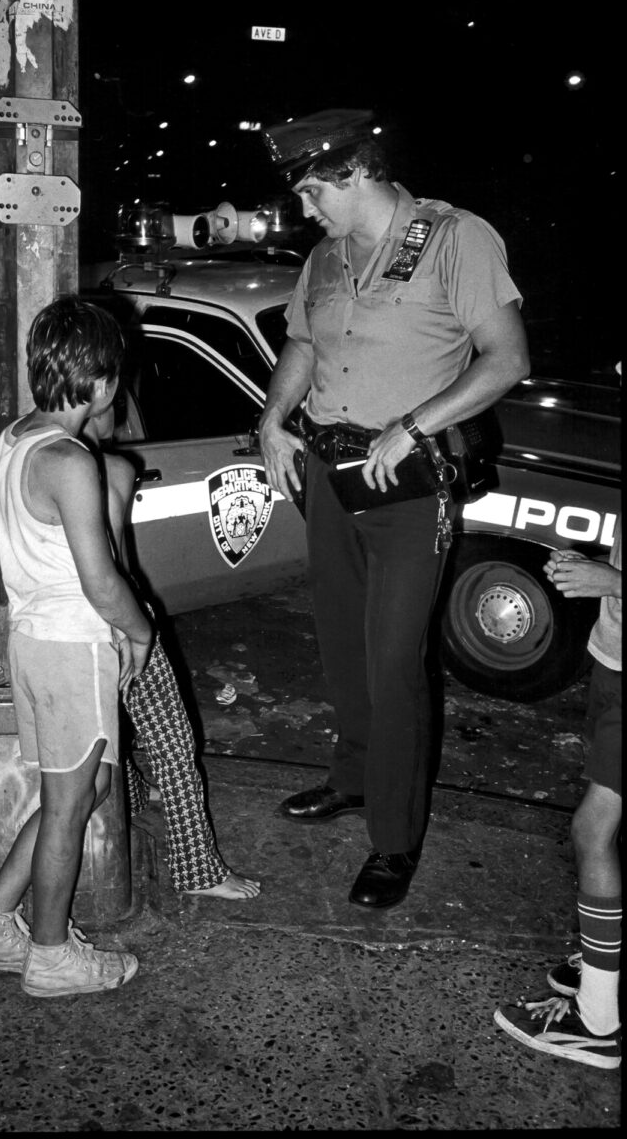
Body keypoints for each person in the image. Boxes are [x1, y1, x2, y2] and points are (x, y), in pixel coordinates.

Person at [258, 109, 530, 908]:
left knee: (393, 661)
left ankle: (395, 836)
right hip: (330, 475)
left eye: (313, 192)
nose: (306, 211)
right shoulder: (325, 257)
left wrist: (416, 425)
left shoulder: (453, 239)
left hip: (409, 484)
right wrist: (273, 420)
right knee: (342, 643)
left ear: (354, 173)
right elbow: (302, 348)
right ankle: (352, 777)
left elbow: (507, 358)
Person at [0, 296, 146, 997]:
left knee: (84, 786)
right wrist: (141, 628)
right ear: (100, 382)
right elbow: (101, 582)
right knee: (69, 803)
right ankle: (51, 955)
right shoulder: (70, 460)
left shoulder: (16, 438)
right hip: (71, 646)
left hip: (34, 640)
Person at [85, 403, 261, 900]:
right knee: (174, 743)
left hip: (57, 627)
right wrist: (137, 628)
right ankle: (199, 870)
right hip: (116, 619)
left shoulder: (19, 458)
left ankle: (136, 794)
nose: (120, 421)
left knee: (108, 725)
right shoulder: (111, 470)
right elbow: (114, 566)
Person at [494, 510, 621, 1070]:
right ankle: (606, 963)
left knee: (592, 831)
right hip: (614, 655)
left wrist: (613, 583)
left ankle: (597, 1022)